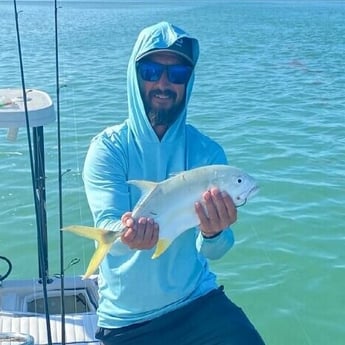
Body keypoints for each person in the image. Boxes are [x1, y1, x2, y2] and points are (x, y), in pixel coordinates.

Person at [83, 21, 265, 345]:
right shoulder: (108, 148)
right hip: (126, 321)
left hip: (198, 304)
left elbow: (216, 251)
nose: (163, 84)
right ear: (135, 75)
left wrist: (214, 232)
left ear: (188, 82)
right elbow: (107, 222)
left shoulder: (208, 154)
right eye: (152, 71)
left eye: (177, 74)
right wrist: (128, 235)